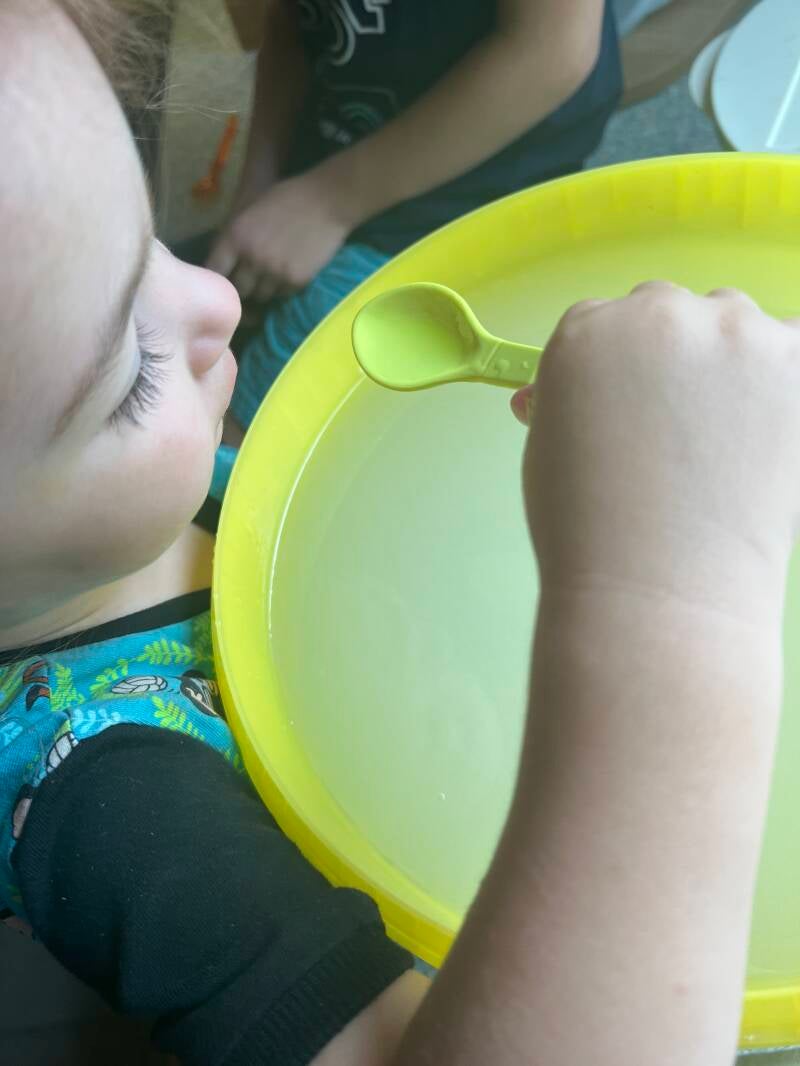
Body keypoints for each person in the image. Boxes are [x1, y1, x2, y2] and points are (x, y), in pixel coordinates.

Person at [1, 3, 798, 1065]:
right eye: (130, 374)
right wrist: (674, 608)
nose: (215, 300)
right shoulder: (113, 808)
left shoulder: (116, 521)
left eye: (147, 245)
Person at [209, 0, 623, 435]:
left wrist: (329, 202)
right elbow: (289, 24)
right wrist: (259, 183)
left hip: (473, 184)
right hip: (338, 131)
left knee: (263, 414)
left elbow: (551, 52)